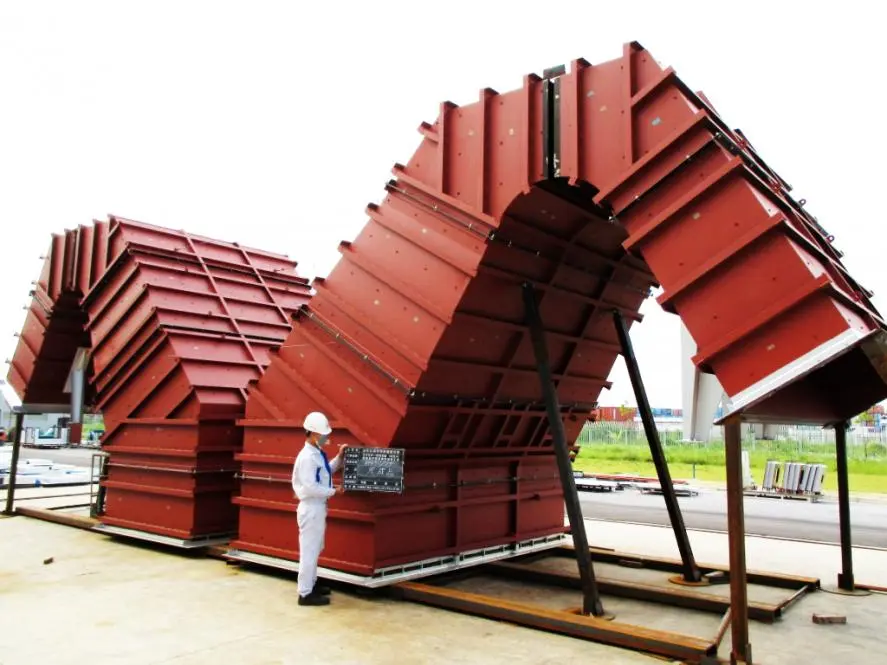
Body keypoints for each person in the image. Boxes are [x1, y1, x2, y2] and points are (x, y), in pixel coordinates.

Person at [291, 411, 346, 606]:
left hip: (317, 508)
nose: (326, 437)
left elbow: (325, 472)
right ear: (314, 434)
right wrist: (334, 491)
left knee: (315, 548)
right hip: (311, 507)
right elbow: (310, 487)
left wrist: (339, 458)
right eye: (323, 434)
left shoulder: (316, 453)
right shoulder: (307, 457)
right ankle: (305, 593)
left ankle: (311, 584)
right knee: (309, 551)